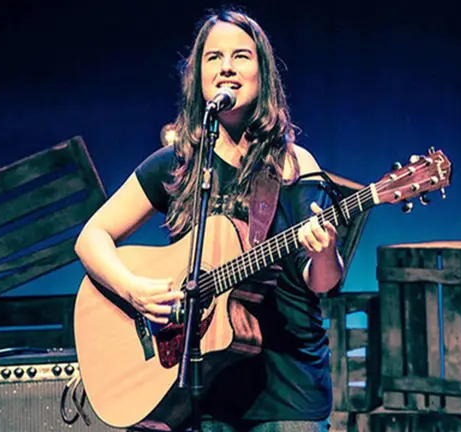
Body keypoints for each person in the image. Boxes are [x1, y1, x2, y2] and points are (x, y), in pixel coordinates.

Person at [74, 7, 344, 432]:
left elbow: (323, 282)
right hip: (192, 391)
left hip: (285, 391)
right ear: (197, 76)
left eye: (241, 56)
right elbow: (92, 237)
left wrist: (325, 249)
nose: (227, 68)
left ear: (263, 74)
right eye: (213, 57)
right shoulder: (178, 164)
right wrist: (134, 290)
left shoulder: (294, 165)